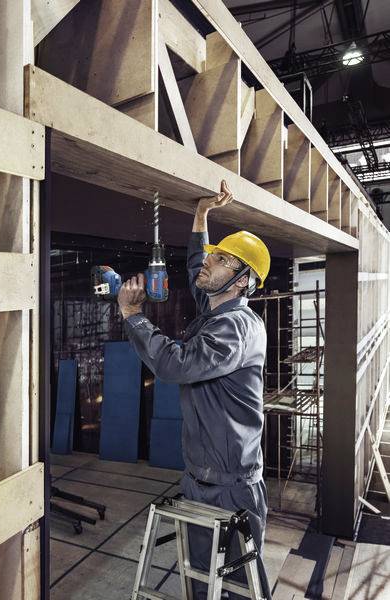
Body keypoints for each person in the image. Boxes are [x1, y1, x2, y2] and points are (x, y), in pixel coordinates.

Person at [117, 180, 272, 599]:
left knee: (238, 589)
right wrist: (202, 215)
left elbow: (176, 364)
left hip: (232, 488)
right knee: (201, 582)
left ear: (242, 281)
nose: (210, 262)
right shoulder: (215, 310)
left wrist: (133, 316)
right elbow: (194, 268)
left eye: (222, 260)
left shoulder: (236, 328)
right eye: (215, 255)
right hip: (200, 479)